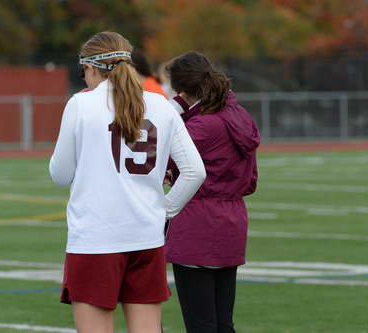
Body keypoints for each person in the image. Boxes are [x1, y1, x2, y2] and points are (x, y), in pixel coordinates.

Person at [49, 32, 206, 333]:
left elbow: (60, 174)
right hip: (146, 236)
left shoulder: (81, 104)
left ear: (91, 67)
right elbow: (194, 172)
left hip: (96, 238)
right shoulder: (161, 105)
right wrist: (165, 211)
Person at [165, 51, 260, 333]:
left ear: (182, 89)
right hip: (232, 219)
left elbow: (162, 161)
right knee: (222, 323)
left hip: (196, 223)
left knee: (200, 324)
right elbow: (251, 180)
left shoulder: (201, 126)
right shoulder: (238, 115)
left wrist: (174, 112)